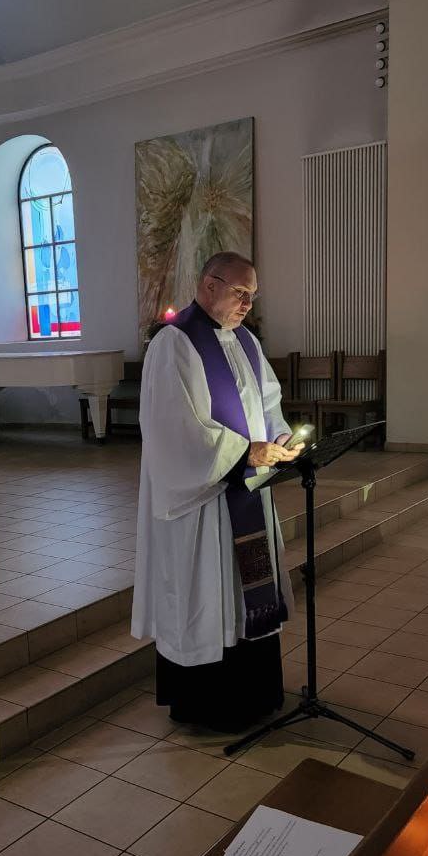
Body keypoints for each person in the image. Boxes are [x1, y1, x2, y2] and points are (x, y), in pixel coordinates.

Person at [132, 252, 302, 732]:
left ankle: (255, 696)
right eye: (240, 293)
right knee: (206, 593)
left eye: (253, 296)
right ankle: (208, 706)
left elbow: (268, 403)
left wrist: (282, 438)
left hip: (244, 492)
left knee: (244, 595)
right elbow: (173, 427)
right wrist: (244, 453)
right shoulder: (174, 344)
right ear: (209, 285)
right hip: (203, 500)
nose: (248, 304)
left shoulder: (246, 340)